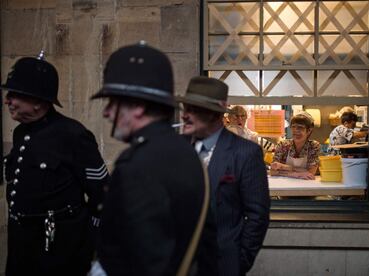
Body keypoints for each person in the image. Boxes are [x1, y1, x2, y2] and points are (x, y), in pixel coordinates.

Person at [90, 42, 216, 276]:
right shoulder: (184, 151)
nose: (107, 112)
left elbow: (143, 261)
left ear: (137, 106)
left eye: (112, 102)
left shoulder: (139, 164)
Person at [1, 53, 108, 276]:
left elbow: (102, 194)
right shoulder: (22, 131)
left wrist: (89, 242)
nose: (7, 100)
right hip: (22, 246)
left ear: (39, 101)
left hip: (60, 251)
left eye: (15, 95)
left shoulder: (73, 135)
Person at [177, 76, 270, 276]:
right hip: (177, 263)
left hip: (221, 263)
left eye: (194, 109)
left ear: (214, 114)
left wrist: (239, 261)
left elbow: (257, 216)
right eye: (186, 108)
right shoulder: (177, 147)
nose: (185, 115)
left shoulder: (245, 152)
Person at [270, 112, 320, 180]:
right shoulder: (283, 145)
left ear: (308, 131)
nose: (296, 130)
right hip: (284, 185)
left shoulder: (313, 146)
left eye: (300, 127)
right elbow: (273, 171)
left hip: (306, 184)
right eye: (293, 127)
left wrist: (282, 167)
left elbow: (311, 172)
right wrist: (295, 174)